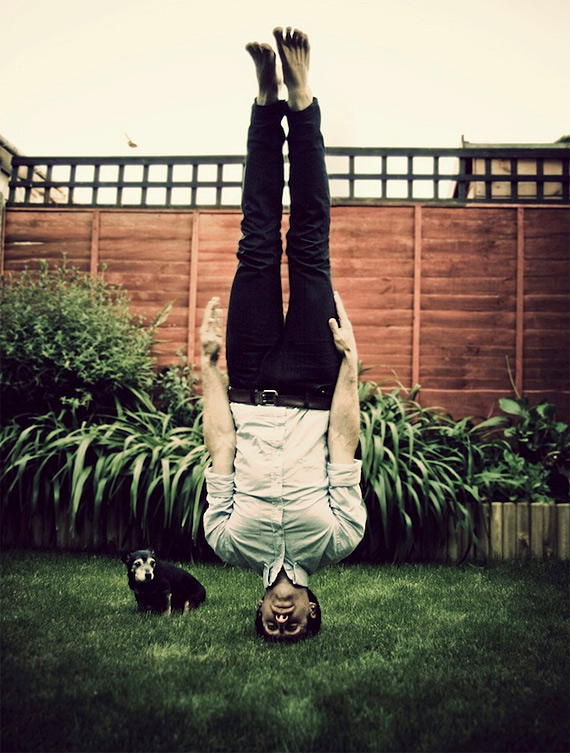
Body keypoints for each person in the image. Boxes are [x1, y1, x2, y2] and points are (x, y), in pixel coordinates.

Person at [200, 27, 367, 642]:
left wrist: (209, 368)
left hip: (246, 378)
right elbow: (343, 442)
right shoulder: (339, 538)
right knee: (310, 245)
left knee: (258, 241)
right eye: (293, 628)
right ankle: (301, 100)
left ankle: (264, 101)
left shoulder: (227, 542)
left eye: (272, 628)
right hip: (314, 379)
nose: (281, 620)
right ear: (313, 611)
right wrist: (351, 366)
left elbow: (221, 442)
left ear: (260, 613)